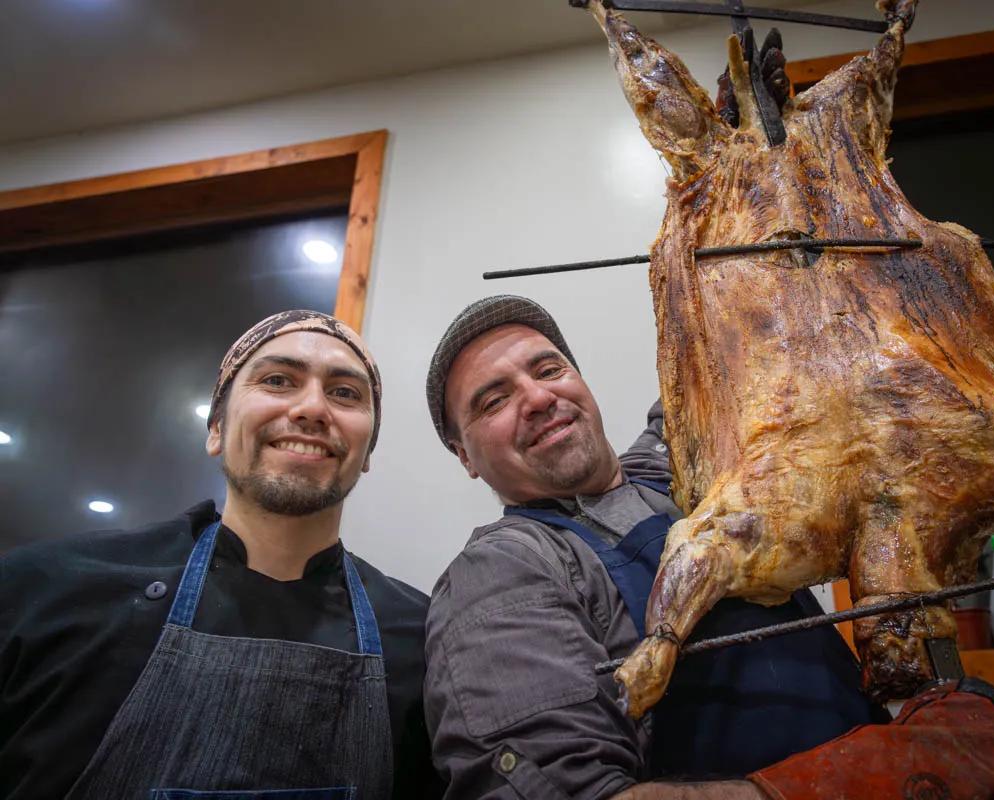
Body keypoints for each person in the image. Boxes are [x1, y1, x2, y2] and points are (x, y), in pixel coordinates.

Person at [422, 295, 887, 799]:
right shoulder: (503, 568)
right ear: (464, 456)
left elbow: (750, 353)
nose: (537, 398)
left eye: (549, 369)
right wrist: (840, 785)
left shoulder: (683, 470)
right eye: (494, 401)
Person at [0, 310, 440, 799]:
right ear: (215, 428)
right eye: (278, 380)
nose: (313, 408)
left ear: (368, 450)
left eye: (345, 393)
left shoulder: (422, 638)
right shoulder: (42, 591)